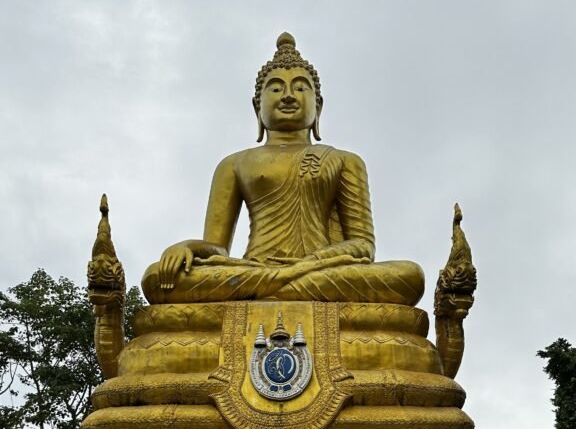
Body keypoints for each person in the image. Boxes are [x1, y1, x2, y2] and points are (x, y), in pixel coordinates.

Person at [142, 33, 423, 305]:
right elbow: (218, 249)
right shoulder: (234, 164)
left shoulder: (345, 161)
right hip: (252, 270)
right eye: (276, 88)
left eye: (301, 88)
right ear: (257, 108)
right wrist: (187, 248)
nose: (288, 96)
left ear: (319, 107)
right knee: (158, 277)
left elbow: (363, 246)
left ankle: (274, 287)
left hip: (320, 271)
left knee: (410, 277)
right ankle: (281, 285)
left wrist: (310, 263)